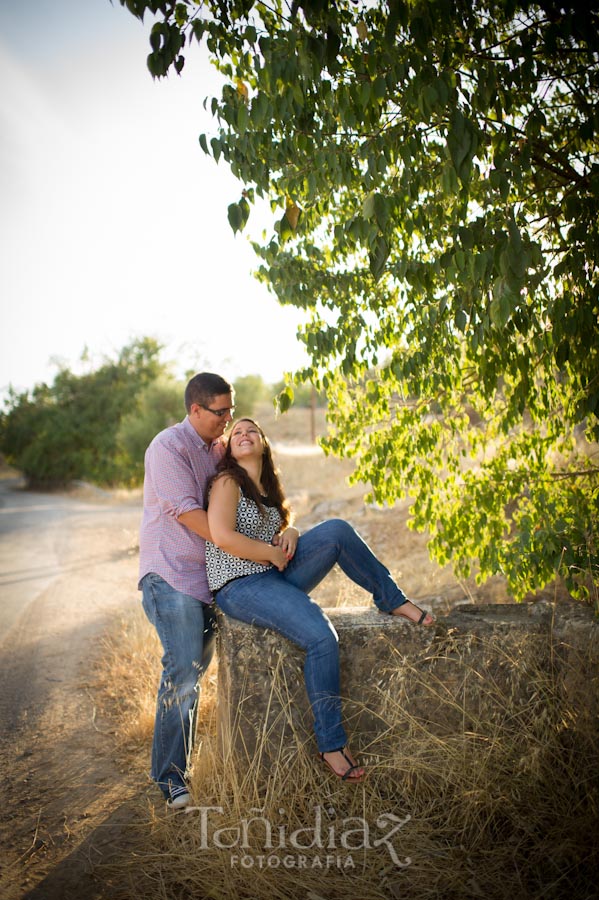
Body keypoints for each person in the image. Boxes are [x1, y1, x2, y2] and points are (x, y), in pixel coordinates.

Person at [205, 418, 434, 783]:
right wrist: (270, 553)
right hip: (240, 586)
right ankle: (331, 744)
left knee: (337, 531)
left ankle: (391, 598)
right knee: (321, 637)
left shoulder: (267, 488)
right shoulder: (227, 482)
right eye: (237, 433)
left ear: (263, 443)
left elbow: (277, 533)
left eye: (252, 430)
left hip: (273, 575)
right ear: (230, 448)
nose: (244, 434)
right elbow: (222, 536)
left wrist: (290, 531)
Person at [138, 372, 235, 809]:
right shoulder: (167, 447)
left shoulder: (218, 448)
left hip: (206, 581)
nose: (228, 419)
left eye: (231, 409)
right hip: (170, 575)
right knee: (182, 673)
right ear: (195, 410)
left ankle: (180, 768)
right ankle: (172, 779)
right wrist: (242, 545)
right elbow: (187, 513)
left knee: (193, 677)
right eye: (220, 412)